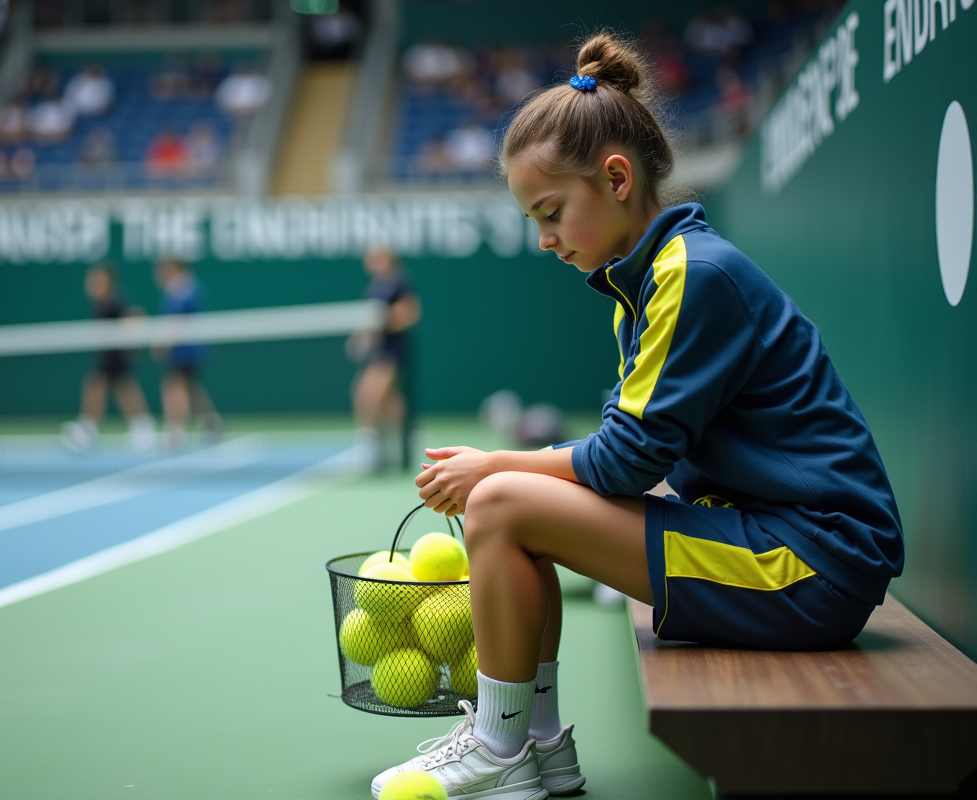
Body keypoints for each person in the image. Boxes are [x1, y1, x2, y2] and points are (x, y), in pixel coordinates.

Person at [374, 32, 903, 798]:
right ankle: (536, 745)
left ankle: (499, 746)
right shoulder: (649, 281)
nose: (545, 239)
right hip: (782, 545)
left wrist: (495, 465)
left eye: (551, 212)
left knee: (499, 499)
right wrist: (517, 474)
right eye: (534, 219)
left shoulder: (693, 276)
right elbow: (624, 456)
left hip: (814, 564)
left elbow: (624, 464)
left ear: (616, 178)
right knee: (512, 503)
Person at [61, 264, 155, 453]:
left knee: (103, 386)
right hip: (107, 357)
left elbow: (135, 315)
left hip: (116, 357)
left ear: (110, 283)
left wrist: (131, 341)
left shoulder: (116, 305)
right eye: (92, 281)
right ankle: (139, 429)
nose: (93, 285)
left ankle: (92, 430)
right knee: (115, 388)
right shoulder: (100, 307)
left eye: (98, 281)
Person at [348, 244, 420, 469]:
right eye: (370, 257)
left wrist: (382, 325)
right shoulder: (375, 286)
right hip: (379, 351)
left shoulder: (398, 282)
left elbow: (410, 313)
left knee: (366, 395)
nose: (372, 261)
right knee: (390, 401)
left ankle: (370, 447)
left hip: (392, 352)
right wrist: (362, 337)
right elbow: (369, 321)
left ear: (388, 258)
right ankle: (408, 441)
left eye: (377, 257)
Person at [154, 259, 220, 448]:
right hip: (191, 348)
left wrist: (163, 342)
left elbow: (177, 320)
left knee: (175, 386)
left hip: (184, 349)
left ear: (173, 268)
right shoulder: (190, 285)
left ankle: (176, 432)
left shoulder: (181, 287)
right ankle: (211, 422)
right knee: (190, 387)